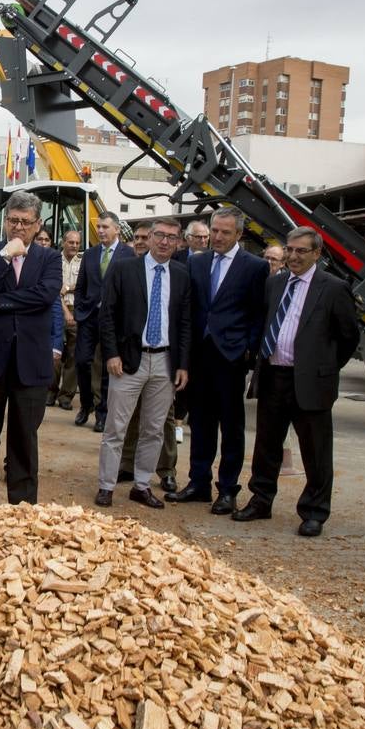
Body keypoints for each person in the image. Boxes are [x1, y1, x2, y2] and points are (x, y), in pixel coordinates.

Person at [232, 226, 357, 536]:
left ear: (316, 253)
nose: (293, 256)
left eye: (302, 251)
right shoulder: (274, 284)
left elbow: (348, 337)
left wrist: (323, 367)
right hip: (274, 376)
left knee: (315, 450)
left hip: (311, 381)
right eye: (289, 249)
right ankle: (261, 500)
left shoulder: (333, 288)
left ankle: (314, 511)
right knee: (266, 445)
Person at [0, 192, 61, 507]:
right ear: (5, 221)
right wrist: (5, 256)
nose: (18, 227)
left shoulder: (50, 258)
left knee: (23, 441)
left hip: (30, 363)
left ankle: (22, 510)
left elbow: (45, 295)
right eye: (13, 221)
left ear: (38, 225)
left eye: (25, 222)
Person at [169, 207, 269, 512]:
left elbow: (258, 313)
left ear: (239, 234)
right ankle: (199, 483)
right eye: (214, 230)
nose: (217, 237)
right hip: (199, 356)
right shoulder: (196, 262)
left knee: (231, 425)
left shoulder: (254, 267)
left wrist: (246, 349)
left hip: (230, 357)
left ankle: (227, 488)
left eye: (225, 232)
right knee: (200, 423)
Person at [94, 217, 190, 509]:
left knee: (154, 428)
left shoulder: (182, 275)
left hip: (164, 361)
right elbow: (107, 314)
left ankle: (142, 485)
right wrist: (111, 353)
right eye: (159, 235)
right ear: (148, 238)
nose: (164, 242)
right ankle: (106, 486)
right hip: (127, 361)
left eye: (172, 238)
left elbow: (185, 322)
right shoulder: (125, 269)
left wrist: (183, 364)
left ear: (178, 242)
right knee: (116, 428)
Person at [117, 220, 179, 492]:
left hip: (163, 358)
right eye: (139, 238)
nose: (142, 241)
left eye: (145, 237)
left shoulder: (174, 273)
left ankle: (166, 470)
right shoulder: (130, 271)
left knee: (161, 420)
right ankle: (127, 465)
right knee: (129, 417)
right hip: (132, 357)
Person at [73, 212, 134, 431]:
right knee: (82, 362)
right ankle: (86, 405)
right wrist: (80, 309)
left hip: (114, 320)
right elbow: (81, 285)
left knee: (109, 368)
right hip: (88, 317)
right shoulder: (89, 254)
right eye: (99, 227)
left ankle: (103, 413)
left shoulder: (128, 254)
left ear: (117, 229)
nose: (100, 231)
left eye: (105, 227)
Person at [47, 230, 83, 411]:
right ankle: (50, 392)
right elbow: (53, 289)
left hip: (77, 312)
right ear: (63, 242)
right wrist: (64, 313)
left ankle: (66, 396)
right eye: (71, 242)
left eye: (77, 243)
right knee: (54, 354)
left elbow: (84, 285)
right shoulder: (54, 260)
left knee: (73, 356)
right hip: (57, 311)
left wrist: (68, 287)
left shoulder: (83, 262)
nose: (74, 246)